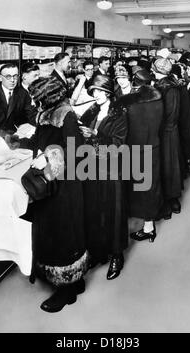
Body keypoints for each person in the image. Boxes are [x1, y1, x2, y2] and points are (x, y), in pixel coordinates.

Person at [21, 76, 88, 313]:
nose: (32, 101)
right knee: (55, 229)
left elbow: (76, 152)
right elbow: (39, 141)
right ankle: (74, 283)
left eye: (35, 96)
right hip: (52, 183)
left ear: (45, 97)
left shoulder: (65, 115)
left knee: (63, 231)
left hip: (65, 186)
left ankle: (66, 290)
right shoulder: (46, 114)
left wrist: (48, 158)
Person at [79, 75, 129, 280]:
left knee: (114, 210)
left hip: (113, 168)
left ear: (109, 93)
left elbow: (119, 143)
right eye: (93, 91)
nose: (95, 95)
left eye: (99, 91)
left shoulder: (120, 114)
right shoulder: (92, 110)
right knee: (95, 209)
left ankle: (117, 254)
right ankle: (98, 251)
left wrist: (94, 135)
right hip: (92, 166)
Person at [118, 69, 164, 242]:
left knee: (138, 187)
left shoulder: (131, 103)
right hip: (154, 146)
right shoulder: (158, 99)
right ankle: (149, 224)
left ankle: (147, 228)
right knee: (150, 187)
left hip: (136, 149)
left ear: (134, 83)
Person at [152, 58, 183, 219]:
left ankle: (166, 202)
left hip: (164, 132)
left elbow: (162, 114)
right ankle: (174, 200)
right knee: (172, 165)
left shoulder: (162, 87)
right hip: (173, 131)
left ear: (156, 70)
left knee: (163, 166)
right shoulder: (173, 85)